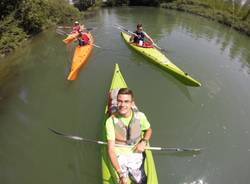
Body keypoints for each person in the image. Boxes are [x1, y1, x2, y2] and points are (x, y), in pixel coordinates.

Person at [106, 88, 152, 184]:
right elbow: (111, 150)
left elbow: (149, 130)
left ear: (131, 103)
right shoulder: (110, 121)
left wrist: (144, 142)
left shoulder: (141, 116)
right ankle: (111, 100)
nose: (122, 104)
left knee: (141, 181)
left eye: (126, 101)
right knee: (123, 181)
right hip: (119, 156)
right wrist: (120, 173)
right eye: (120, 101)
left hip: (136, 154)